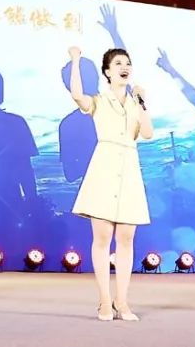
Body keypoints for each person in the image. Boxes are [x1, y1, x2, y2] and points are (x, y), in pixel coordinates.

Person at [67, 46, 153, 322]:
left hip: (129, 168)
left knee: (126, 238)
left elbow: (148, 133)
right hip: (104, 167)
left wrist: (142, 103)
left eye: (127, 63)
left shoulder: (135, 102)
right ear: (107, 72)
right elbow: (77, 95)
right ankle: (104, 300)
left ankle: (122, 301)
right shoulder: (99, 101)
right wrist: (76, 60)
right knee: (102, 238)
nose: (124, 67)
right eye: (118, 63)